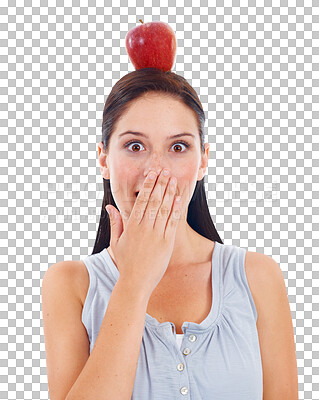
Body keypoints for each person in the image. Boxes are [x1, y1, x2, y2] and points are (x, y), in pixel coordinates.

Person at [41, 68, 298, 399]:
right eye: (135, 146)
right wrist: (135, 280)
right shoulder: (69, 284)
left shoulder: (258, 277)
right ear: (104, 159)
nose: (156, 171)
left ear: (203, 161)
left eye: (178, 147)